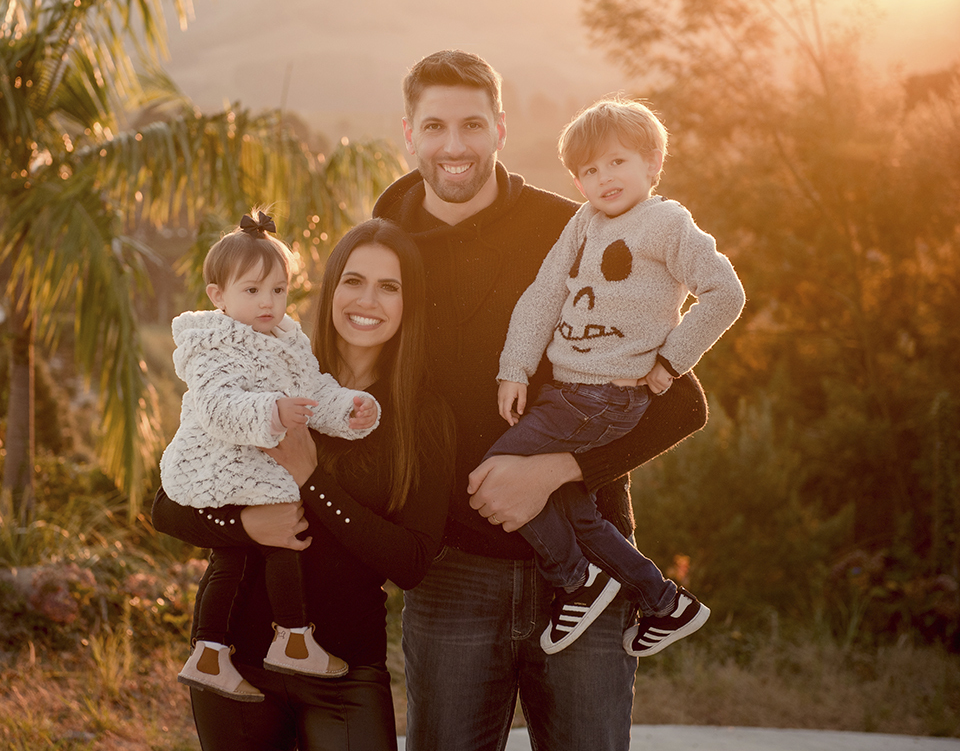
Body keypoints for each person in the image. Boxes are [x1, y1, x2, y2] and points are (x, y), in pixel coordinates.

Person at [373, 49, 712, 751]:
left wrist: (554, 471)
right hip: (450, 574)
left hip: (591, 566)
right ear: (408, 134)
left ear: (500, 128)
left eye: (472, 124)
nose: (454, 146)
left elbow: (681, 404)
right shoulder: (385, 247)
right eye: (434, 126)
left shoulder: (580, 226)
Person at [152, 218, 455, 750]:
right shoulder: (260, 365)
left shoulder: (418, 413)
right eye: (353, 281)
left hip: (346, 670)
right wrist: (246, 524)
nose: (368, 300)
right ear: (331, 287)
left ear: (411, 302)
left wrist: (310, 479)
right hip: (239, 664)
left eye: (390, 286)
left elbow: (410, 562)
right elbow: (166, 508)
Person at [486, 95, 745, 658]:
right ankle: (664, 601)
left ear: (653, 164)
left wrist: (671, 361)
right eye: (589, 170)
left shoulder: (666, 223)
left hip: (606, 398)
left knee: (495, 472)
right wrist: (515, 369)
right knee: (576, 506)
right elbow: (545, 296)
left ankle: (576, 581)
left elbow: (726, 293)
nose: (603, 177)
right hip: (565, 392)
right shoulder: (583, 223)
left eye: (617, 162)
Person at [161, 211, 381, 701]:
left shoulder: (287, 340)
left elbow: (311, 393)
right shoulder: (213, 345)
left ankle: (212, 652)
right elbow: (219, 408)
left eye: (278, 291)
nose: (268, 303)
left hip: (254, 453)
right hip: (215, 457)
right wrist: (272, 411)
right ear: (218, 295)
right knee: (279, 517)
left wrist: (349, 408)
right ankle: (292, 638)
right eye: (253, 291)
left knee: (237, 553)